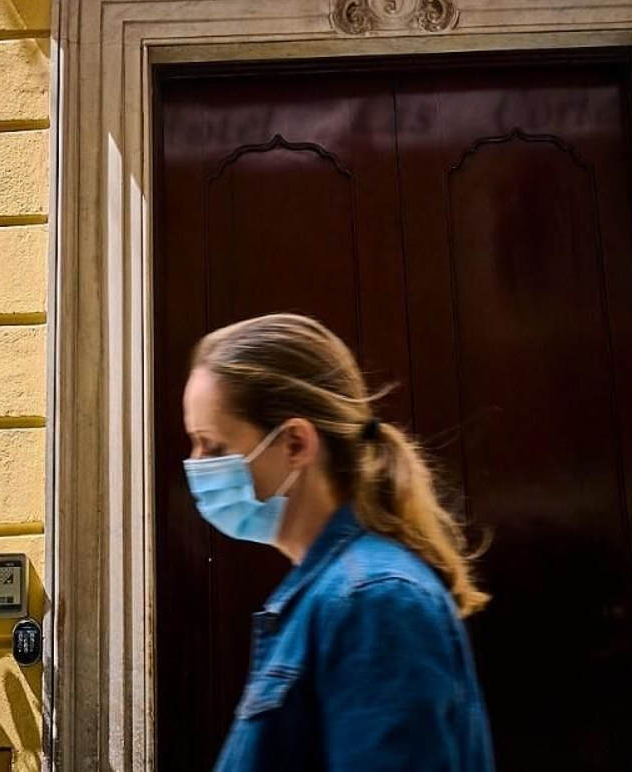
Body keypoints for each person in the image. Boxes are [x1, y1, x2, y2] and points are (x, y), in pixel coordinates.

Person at [183, 313, 495, 772]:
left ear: (295, 443)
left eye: (212, 446)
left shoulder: (372, 600)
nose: (196, 465)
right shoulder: (329, 594)